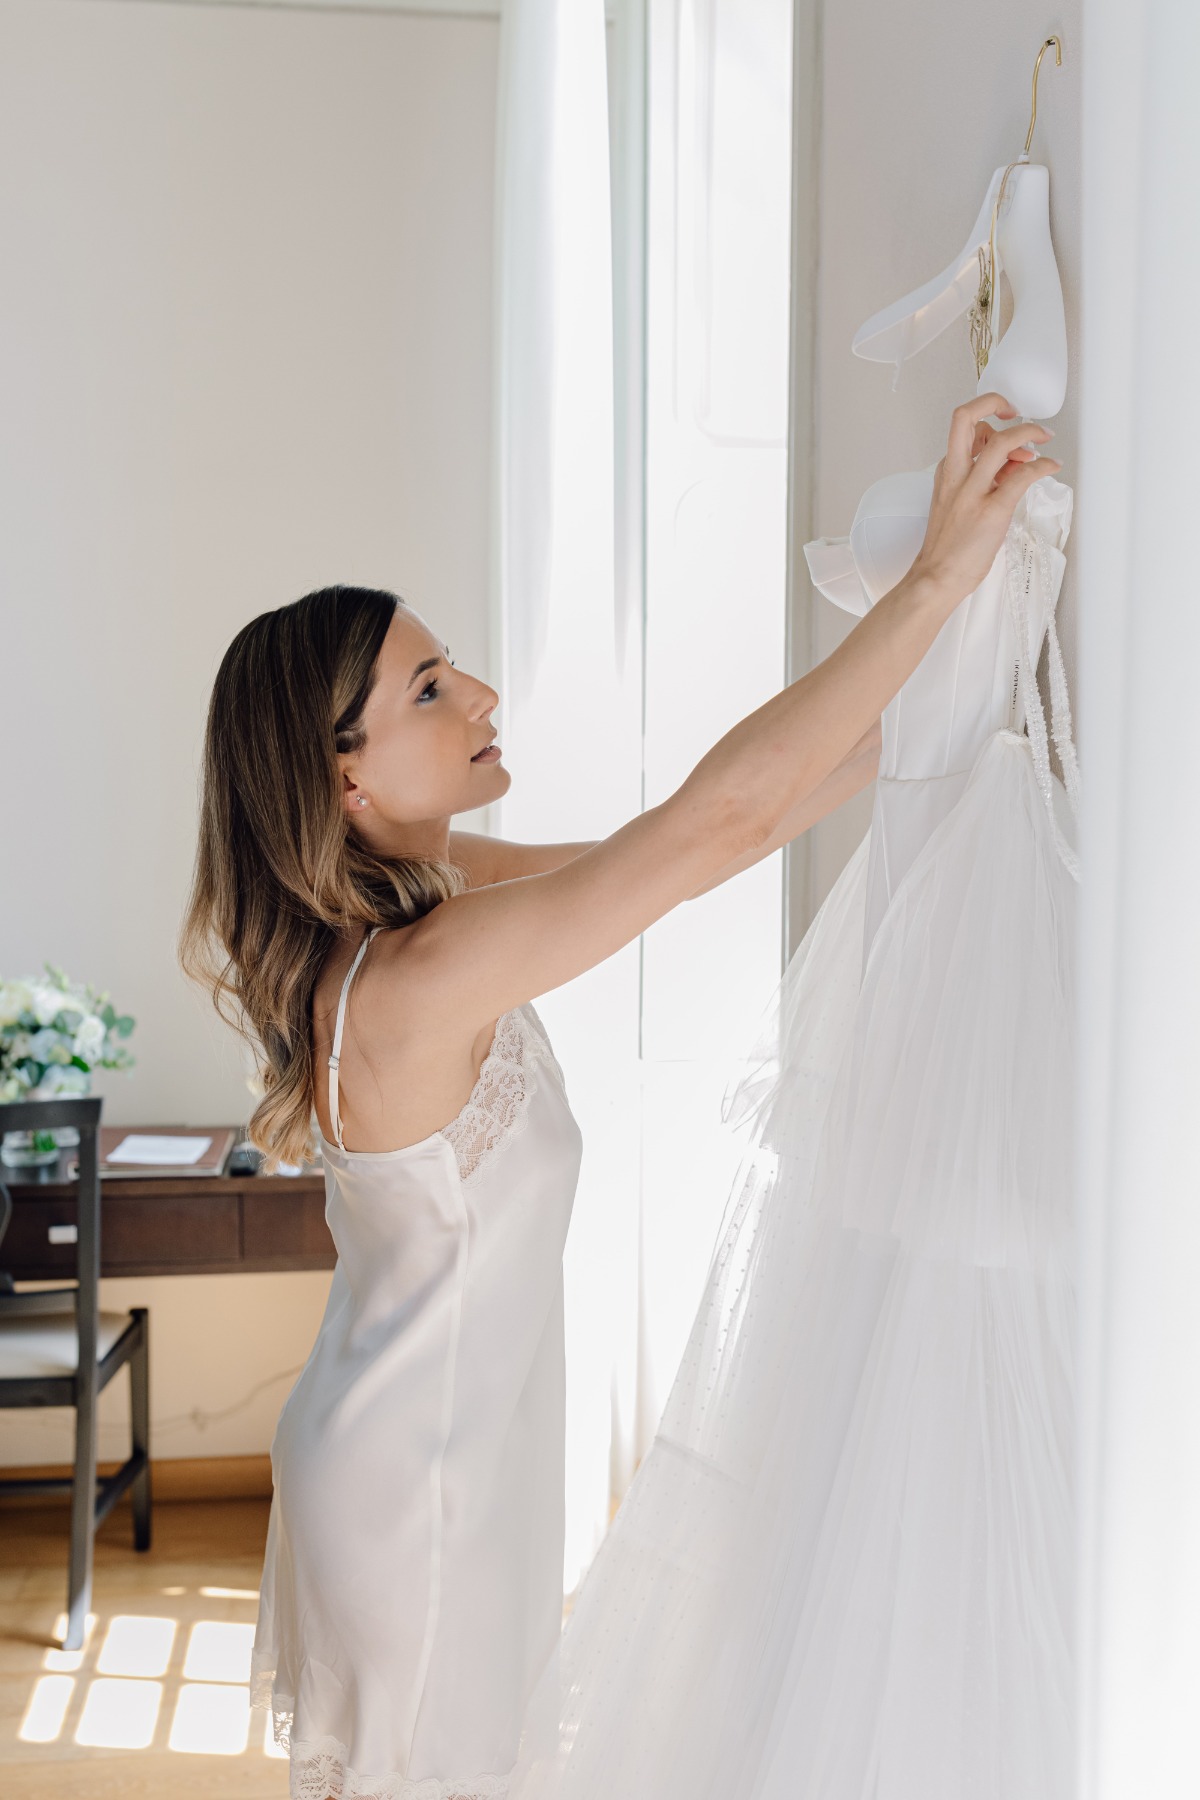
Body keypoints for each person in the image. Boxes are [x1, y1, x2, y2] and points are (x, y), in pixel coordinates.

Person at [179, 395, 1056, 1799]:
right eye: (428, 691)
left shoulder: (423, 905)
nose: (480, 698)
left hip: (421, 1437)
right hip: (422, 1490)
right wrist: (943, 575)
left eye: (449, 667)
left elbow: (711, 831)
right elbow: (713, 829)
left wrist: (944, 681)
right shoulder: (420, 970)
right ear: (348, 780)